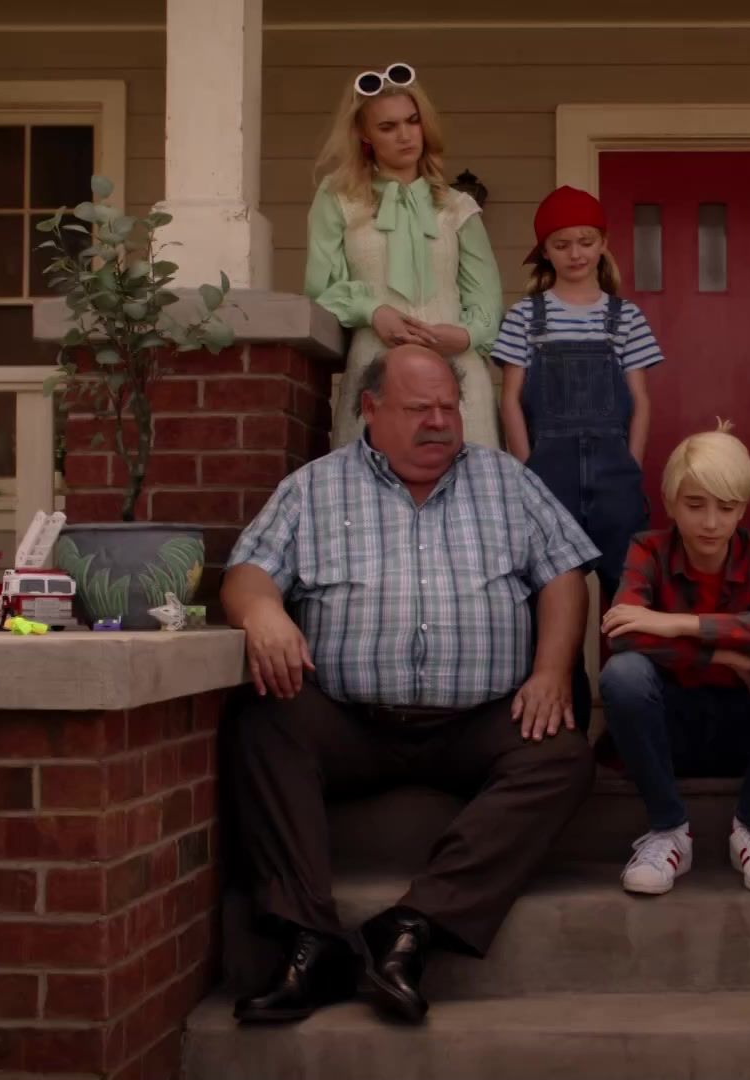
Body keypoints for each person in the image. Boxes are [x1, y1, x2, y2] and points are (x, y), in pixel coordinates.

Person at [219, 344, 599, 1026]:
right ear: (370, 409)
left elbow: (565, 574)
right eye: (420, 408)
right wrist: (262, 612)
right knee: (264, 721)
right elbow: (247, 572)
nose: (440, 423)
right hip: (350, 722)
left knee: (560, 754)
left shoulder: (507, 482)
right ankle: (309, 937)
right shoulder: (313, 488)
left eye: (449, 407)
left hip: (478, 720)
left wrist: (549, 672)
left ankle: (412, 926)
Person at [599, 421, 750, 896]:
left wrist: (682, 624)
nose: (710, 523)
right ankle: (668, 831)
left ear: (742, 507)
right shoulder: (647, 550)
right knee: (623, 674)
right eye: (695, 504)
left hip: (747, 725)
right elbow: (623, 634)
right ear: (670, 502)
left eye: (726, 507)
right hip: (671, 724)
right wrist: (725, 654)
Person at [495, 185, 663, 717]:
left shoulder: (625, 316)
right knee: (551, 595)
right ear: (545, 251)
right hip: (549, 474)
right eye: (562, 244)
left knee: (628, 598)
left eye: (586, 242)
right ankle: (567, 716)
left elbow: (640, 401)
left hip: (615, 474)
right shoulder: (526, 316)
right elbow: (510, 400)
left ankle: (630, 720)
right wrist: (527, 471)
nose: (575, 253)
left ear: (603, 244)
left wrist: (631, 465)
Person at [305, 63, 505, 449]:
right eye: (387, 127)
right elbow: (321, 287)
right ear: (364, 134)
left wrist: (463, 336)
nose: (405, 135)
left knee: (469, 481)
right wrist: (373, 311)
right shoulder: (339, 199)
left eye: (412, 121)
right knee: (369, 479)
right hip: (375, 368)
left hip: (458, 372)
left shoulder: (458, 207)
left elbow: (487, 302)